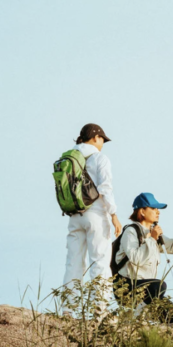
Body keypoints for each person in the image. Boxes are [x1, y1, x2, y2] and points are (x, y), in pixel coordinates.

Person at [62, 124, 122, 298]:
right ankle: (100, 307)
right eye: (102, 139)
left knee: (73, 262)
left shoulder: (69, 157)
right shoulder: (99, 158)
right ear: (96, 137)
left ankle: (68, 309)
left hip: (74, 215)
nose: (102, 143)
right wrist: (114, 215)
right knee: (100, 261)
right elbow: (105, 188)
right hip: (95, 214)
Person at [113, 193, 173, 322]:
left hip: (146, 289)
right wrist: (152, 239)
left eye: (158, 209)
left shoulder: (152, 232)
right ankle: (135, 316)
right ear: (142, 211)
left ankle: (142, 318)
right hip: (126, 286)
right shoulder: (131, 232)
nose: (158, 212)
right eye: (153, 208)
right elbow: (135, 258)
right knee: (159, 286)